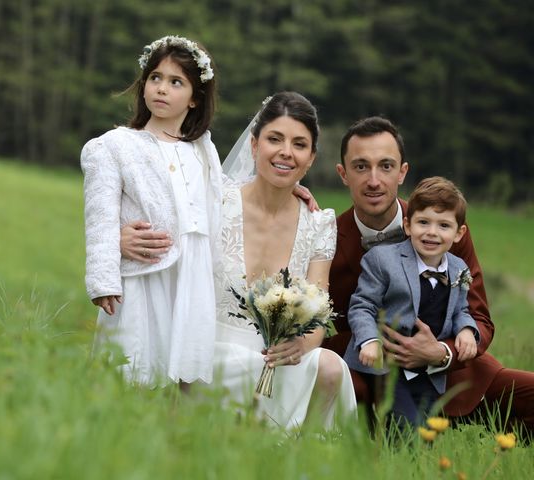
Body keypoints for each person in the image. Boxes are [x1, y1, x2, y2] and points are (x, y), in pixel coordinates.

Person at [326, 116, 534, 435]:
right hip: (371, 377)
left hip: (454, 374)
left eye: (385, 166)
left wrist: (442, 351)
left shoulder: (441, 227)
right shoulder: (324, 238)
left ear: (402, 172)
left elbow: (478, 317)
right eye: (360, 166)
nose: (373, 180)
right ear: (343, 174)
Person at [81, 35, 222, 387]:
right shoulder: (115, 147)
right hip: (143, 277)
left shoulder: (203, 151)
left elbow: (227, 200)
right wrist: (104, 275)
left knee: (183, 373)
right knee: (135, 365)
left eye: (176, 82)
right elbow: (99, 219)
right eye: (155, 78)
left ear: (195, 99)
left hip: (191, 276)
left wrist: (288, 188)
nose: (162, 89)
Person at [212, 92, 356, 430]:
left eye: (299, 144)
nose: (286, 152)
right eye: (274, 139)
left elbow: (318, 313)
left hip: (276, 358)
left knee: (330, 365)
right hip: (213, 351)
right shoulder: (215, 202)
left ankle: (305, 460)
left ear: (311, 158)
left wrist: (299, 345)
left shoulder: (318, 224)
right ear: (253, 145)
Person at [344, 176, 479, 426]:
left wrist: (467, 330)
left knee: (428, 431)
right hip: (385, 365)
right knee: (406, 426)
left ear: (459, 233)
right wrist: (369, 341)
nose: (431, 232)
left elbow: (460, 308)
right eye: (423, 222)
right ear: (408, 225)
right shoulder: (383, 260)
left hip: (427, 371)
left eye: (443, 226)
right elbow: (362, 305)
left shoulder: (459, 268)